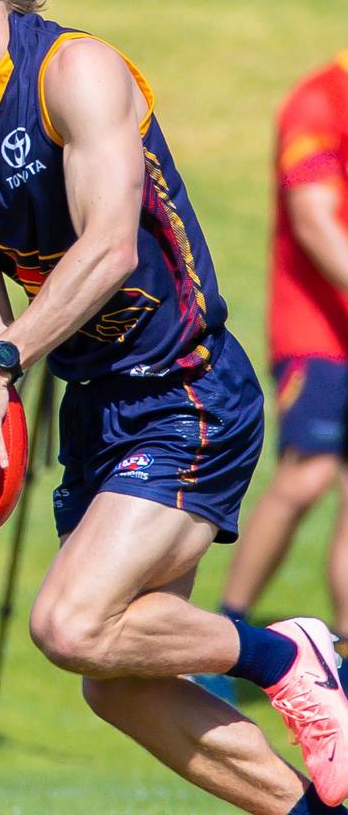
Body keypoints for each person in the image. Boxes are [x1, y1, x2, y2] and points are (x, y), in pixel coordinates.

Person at [0, 0, 348, 813]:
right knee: (119, 680)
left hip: (185, 392)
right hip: (99, 413)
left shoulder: (75, 72)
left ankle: (286, 651)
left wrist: (5, 364)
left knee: (68, 623)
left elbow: (106, 246)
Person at [219, 53, 348, 688]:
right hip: (318, 332)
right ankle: (227, 635)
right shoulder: (319, 101)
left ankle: (345, 664)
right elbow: (315, 222)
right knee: (308, 476)